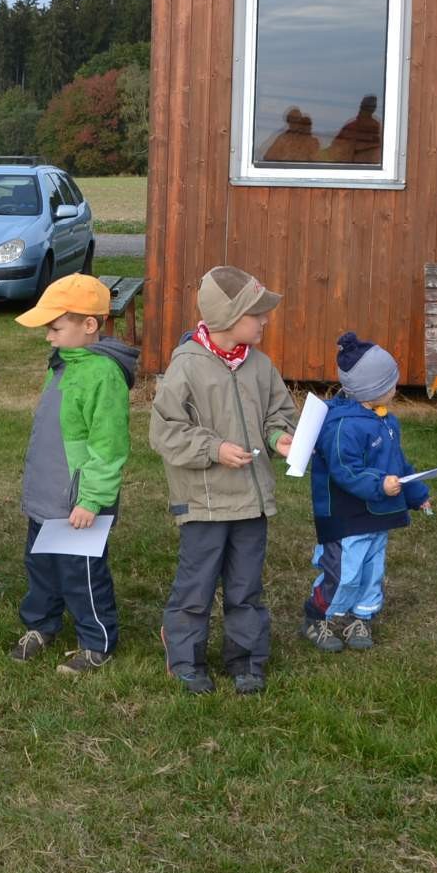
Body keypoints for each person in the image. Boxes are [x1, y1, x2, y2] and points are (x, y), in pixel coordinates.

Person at [149, 266, 296, 695]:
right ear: (229, 319)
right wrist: (214, 449)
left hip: (251, 502)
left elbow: (278, 413)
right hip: (204, 503)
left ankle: (247, 660)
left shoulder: (261, 366)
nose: (265, 319)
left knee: (246, 587)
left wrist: (278, 436)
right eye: (257, 313)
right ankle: (186, 659)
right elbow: (165, 432)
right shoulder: (186, 367)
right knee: (195, 587)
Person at [8, 274, 135, 674]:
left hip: (78, 503)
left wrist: (91, 499)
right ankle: (40, 624)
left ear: (90, 324)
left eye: (56, 328)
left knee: (81, 573)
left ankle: (96, 640)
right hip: (48, 494)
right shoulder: (64, 362)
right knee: (41, 566)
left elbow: (108, 446)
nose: (49, 336)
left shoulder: (103, 375)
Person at [304, 332, 431, 654]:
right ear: (370, 389)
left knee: (372, 570)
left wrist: (416, 494)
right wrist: (379, 484)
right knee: (344, 572)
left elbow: (398, 462)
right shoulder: (342, 426)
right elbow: (344, 469)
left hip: (379, 514)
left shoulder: (386, 421)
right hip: (347, 516)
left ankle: (359, 616)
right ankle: (319, 616)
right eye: (390, 384)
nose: (395, 388)